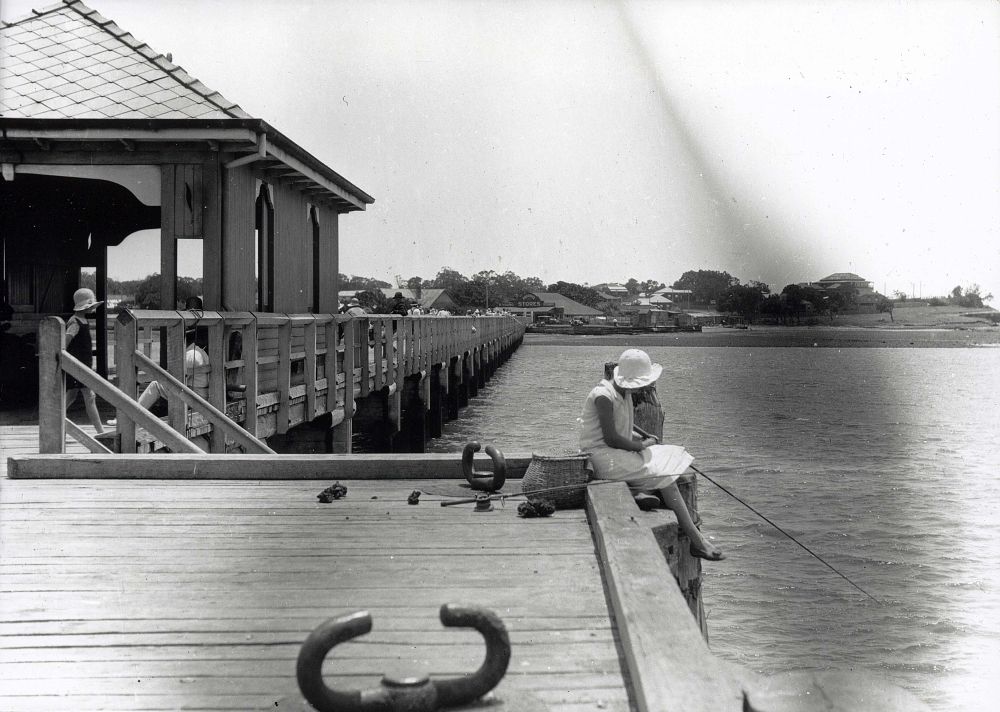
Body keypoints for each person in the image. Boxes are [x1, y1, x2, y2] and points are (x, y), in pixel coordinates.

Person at [579, 349, 724, 561]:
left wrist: (642, 437)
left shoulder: (623, 393)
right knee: (664, 475)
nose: (642, 388)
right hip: (600, 457)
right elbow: (611, 438)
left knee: (668, 454)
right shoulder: (603, 396)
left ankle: (639, 491)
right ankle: (697, 540)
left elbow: (622, 425)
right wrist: (642, 445)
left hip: (615, 452)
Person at [64, 288, 107, 434]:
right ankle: (100, 432)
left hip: (84, 365)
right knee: (90, 396)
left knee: (71, 396)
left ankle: (56, 420)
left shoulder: (83, 320)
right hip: (78, 366)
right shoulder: (75, 322)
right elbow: (64, 344)